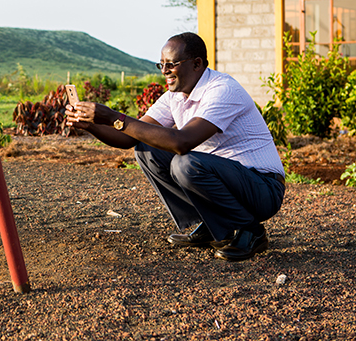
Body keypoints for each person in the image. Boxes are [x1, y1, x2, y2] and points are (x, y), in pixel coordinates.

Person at [66, 32, 285, 261]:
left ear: (197, 64)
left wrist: (112, 116)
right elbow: (130, 137)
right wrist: (90, 125)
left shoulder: (222, 89)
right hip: (229, 179)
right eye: (161, 64)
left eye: (171, 64)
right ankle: (212, 225)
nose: (164, 71)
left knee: (185, 164)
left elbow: (183, 142)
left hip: (263, 188)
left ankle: (251, 230)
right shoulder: (176, 96)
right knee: (147, 150)